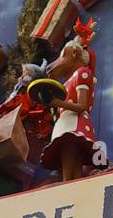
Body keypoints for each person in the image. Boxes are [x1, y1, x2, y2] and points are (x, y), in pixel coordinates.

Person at [40, 20, 100, 182]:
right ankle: (70, 182)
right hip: (66, 122)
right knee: (66, 155)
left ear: (74, 54)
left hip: (75, 123)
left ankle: (71, 183)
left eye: (63, 55)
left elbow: (81, 106)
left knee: (71, 152)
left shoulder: (82, 73)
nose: (58, 62)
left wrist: (56, 102)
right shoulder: (68, 81)